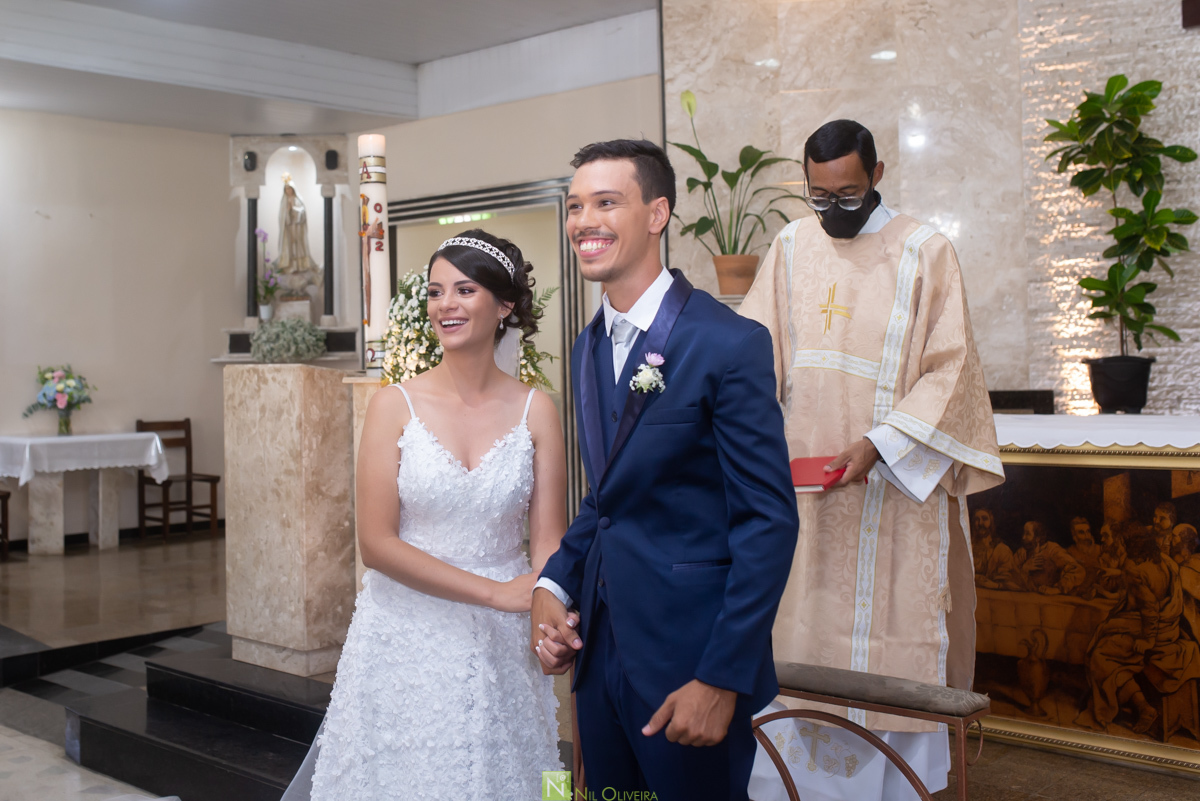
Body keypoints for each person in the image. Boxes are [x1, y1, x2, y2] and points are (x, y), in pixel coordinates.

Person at [738, 119, 1004, 801]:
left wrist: (879, 444)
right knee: (797, 639)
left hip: (892, 499)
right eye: (819, 196)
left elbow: (954, 373)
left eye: (849, 195)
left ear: (878, 175)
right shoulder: (791, 246)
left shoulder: (925, 251)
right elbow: (751, 355)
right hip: (802, 501)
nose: (833, 212)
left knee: (889, 642)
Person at [531, 139, 798, 801]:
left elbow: (768, 521)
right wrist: (555, 584)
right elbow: (608, 497)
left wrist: (721, 677)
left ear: (657, 214)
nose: (583, 220)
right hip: (601, 659)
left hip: (690, 665)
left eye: (605, 202)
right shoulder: (587, 344)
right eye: (574, 206)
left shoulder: (729, 342)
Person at [282, 229, 565, 799]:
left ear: (504, 305)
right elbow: (377, 545)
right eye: (436, 292)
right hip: (405, 637)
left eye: (464, 290)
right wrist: (497, 593)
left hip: (502, 645)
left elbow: (550, 544)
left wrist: (549, 612)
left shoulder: (538, 410)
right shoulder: (394, 405)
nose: (446, 305)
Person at [1077, 523, 1200, 734]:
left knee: (1099, 654)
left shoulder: (1135, 569)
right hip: (1169, 629)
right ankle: (1140, 706)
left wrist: (1148, 640)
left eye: (1122, 542)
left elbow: (1149, 608)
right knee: (1107, 638)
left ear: (1131, 544)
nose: (1119, 545)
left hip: (1153, 633)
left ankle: (1143, 707)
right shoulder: (1166, 561)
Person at [1014, 520, 1085, 595]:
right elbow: (1011, 577)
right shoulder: (1022, 553)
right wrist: (1025, 569)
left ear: (1037, 538)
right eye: (1024, 533)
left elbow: (1078, 570)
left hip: (1052, 600)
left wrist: (1057, 589)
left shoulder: (1052, 550)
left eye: (1027, 534)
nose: (1023, 537)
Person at [972, 508, 1022, 590]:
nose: (980, 523)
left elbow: (1011, 583)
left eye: (984, 519)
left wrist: (996, 585)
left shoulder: (1002, 550)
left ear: (991, 522)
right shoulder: (967, 547)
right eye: (977, 520)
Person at [277, 178, 318, 273]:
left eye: (290, 188)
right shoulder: (284, 202)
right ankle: (291, 266)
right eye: (286, 189)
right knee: (290, 246)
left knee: (298, 246)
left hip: (298, 227)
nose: (288, 191)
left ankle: (300, 266)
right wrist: (287, 211)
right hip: (289, 228)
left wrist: (293, 209)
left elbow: (302, 213)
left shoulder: (298, 199)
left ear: (293, 189)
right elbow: (282, 217)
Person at [1067, 516, 1105, 597]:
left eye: (1088, 531)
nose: (1087, 536)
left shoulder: (1100, 550)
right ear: (1074, 536)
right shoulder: (1070, 552)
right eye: (1081, 532)